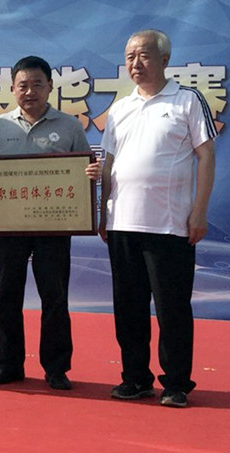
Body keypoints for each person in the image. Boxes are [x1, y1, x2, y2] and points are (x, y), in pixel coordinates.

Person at [0, 56, 101, 390]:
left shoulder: (69, 126)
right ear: (13, 89)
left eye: (37, 84)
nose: (30, 92)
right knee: (6, 297)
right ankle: (8, 364)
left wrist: (89, 172)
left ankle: (56, 368)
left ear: (50, 87)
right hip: (7, 226)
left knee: (54, 297)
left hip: (52, 226)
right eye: (23, 85)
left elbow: (84, 168)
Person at [100, 30, 216, 408]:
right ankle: (135, 378)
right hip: (122, 223)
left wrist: (199, 211)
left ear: (165, 60)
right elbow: (109, 164)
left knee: (171, 308)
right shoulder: (120, 108)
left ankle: (177, 382)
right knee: (128, 308)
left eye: (144, 55)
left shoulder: (187, 100)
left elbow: (206, 155)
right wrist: (102, 212)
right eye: (130, 56)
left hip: (169, 225)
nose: (136, 63)